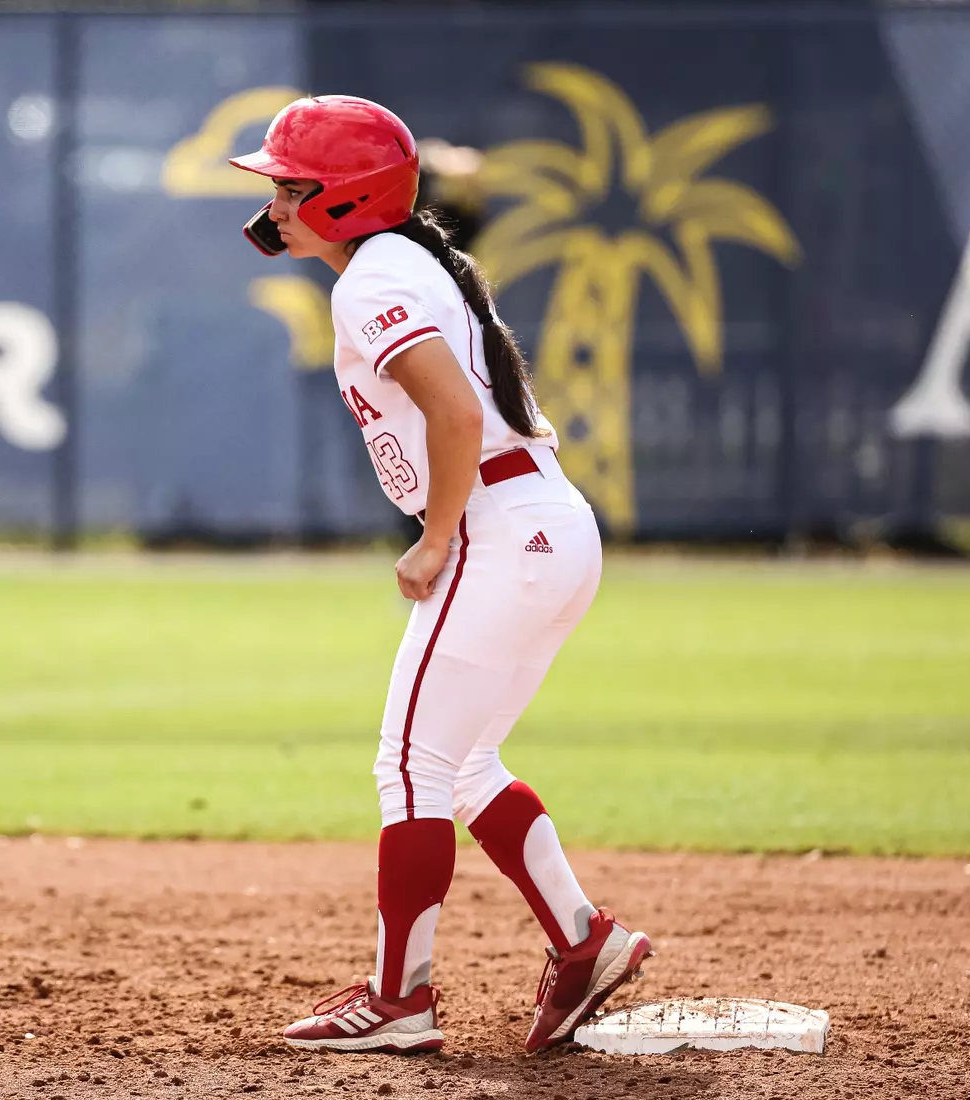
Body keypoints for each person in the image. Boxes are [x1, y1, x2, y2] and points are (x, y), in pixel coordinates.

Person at [229, 96, 653, 1055]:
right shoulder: (405, 260)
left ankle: (398, 999)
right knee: (462, 767)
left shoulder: (371, 276)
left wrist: (437, 537)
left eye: (290, 187)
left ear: (342, 200)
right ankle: (585, 943)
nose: (274, 203)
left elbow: (456, 417)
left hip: (499, 528)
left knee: (408, 768)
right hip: (545, 524)